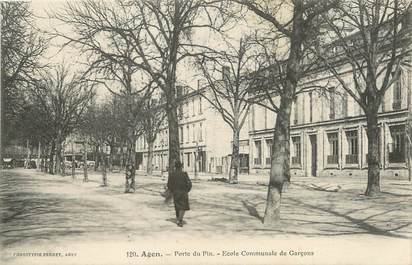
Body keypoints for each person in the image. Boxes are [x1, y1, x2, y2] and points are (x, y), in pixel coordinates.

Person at [167, 161, 192, 227]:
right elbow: (189, 183)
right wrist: (187, 190)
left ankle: (178, 219)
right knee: (183, 207)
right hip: (183, 193)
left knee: (177, 207)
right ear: (181, 166)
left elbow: (169, 185)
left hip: (176, 193)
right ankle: (180, 220)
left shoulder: (171, 174)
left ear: (175, 166)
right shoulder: (184, 174)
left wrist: (173, 191)